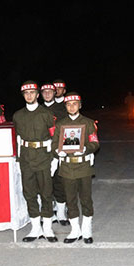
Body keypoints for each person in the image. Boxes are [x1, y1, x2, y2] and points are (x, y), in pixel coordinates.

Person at [52, 92, 100, 243]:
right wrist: (57, 151)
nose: (71, 106)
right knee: (70, 200)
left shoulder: (88, 122)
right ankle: (75, 230)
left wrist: (85, 149)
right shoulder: (60, 124)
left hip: (83, 166)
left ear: (80, 105)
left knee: (85, 199)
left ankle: (86, 230)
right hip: (67, 166)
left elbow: (95, 143)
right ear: (65, 106)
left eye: (74, 104)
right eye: (68, 104)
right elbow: (54, 143)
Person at [13, 81, 58, 242]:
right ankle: (35, 228)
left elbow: (54, 137)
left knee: (46, 193)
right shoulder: (18, 115)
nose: (29, 95)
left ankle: (47, 228)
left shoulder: (46, 114)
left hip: (43, 157)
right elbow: (17, 139)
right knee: (29, 193)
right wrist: (18, 160)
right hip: (26, 158)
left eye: (32, 92)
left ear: (38, 94)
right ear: (23, 95)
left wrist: (55, 159)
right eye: (26, 93)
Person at [40, 82, 69, 226]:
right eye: (44, 92)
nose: (47, 94)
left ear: (54, 93)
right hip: (41, 152)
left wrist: (64, 151)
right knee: (43, 183)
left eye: (50, 91)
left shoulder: (63, 109)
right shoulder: (37, 109)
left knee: (60, 182)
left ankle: (61, 213)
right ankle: (47, 212)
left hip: (58, 151)